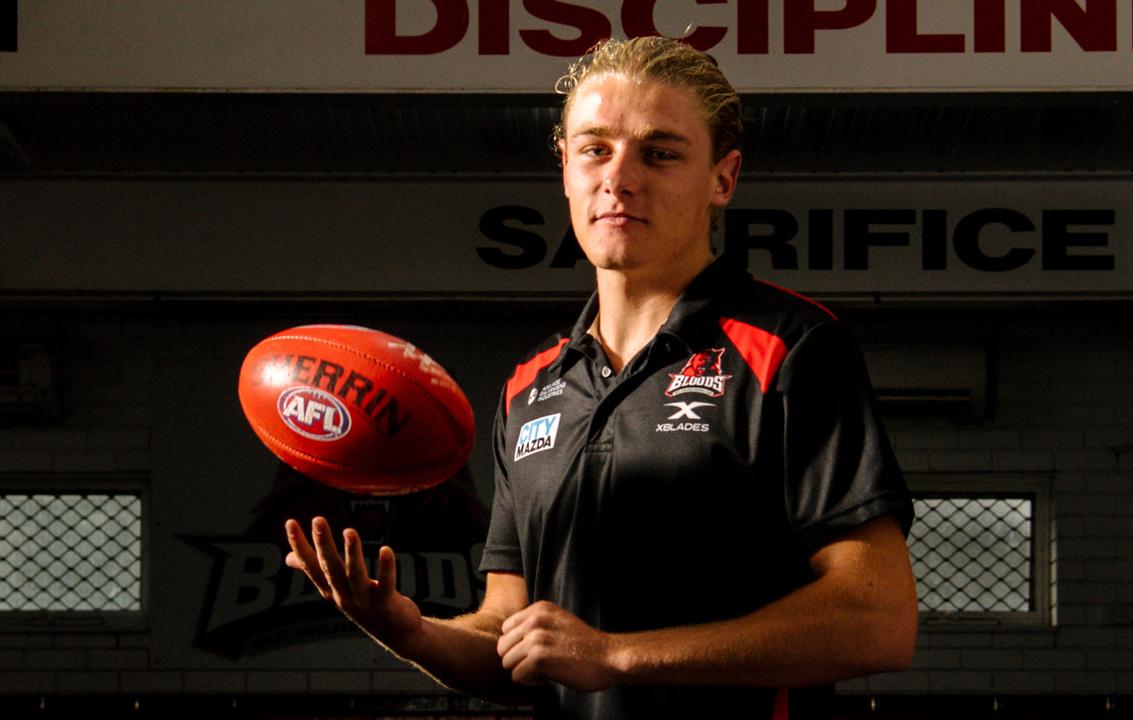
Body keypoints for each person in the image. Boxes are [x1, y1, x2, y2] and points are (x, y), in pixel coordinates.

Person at [284, 36, 917, 719]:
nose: (620, 177)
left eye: (660, 152)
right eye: (594, 148)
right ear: (564, 168)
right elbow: (513, 636)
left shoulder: (791, 349)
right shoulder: (530, 385)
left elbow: (877, 618)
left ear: (723, 179)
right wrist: (407, 631)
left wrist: (618, 656)